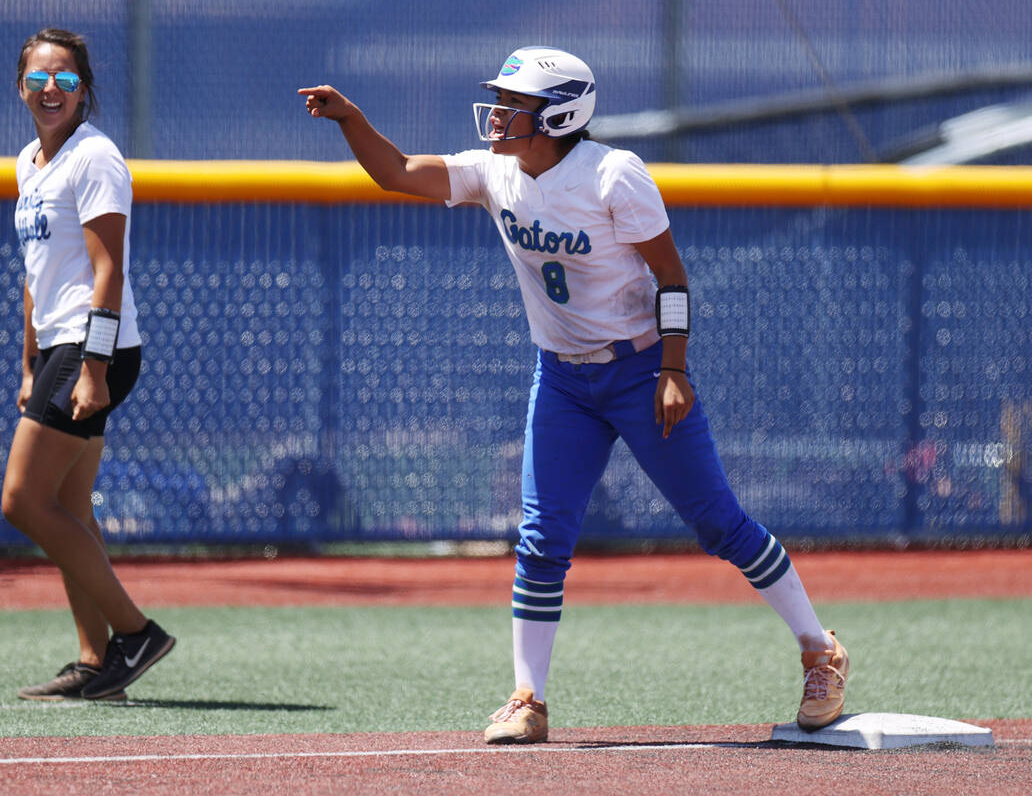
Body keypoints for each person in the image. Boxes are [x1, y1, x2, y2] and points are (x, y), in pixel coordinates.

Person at [300, 46, 848, 743]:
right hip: (562, 377)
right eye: (500, 98)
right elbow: (397, 172)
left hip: (641, 372)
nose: (498, 113)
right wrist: (351, 120)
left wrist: (675, 369)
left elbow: (672, 280)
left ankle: (818, 648)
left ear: (559, 115)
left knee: (718, 523)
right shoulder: (496, 171)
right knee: (542, 538)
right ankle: (528, 699)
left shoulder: (613, 175)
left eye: (515, 103)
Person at [2, 27, 174, 701]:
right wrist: (28, 363)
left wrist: (94, 371)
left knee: (23, 501)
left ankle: (135, 634)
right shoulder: (29, 161)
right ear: (21, 87)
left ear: (84, 90)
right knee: (71, 504)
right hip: (59, 348)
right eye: (40, 78)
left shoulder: (95, 157)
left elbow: (108, 272)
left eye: (67, 80)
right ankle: (97, 658)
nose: (52, 89)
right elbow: (35, 274)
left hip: (92, 348)